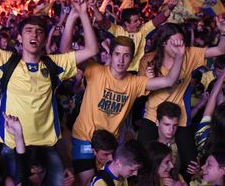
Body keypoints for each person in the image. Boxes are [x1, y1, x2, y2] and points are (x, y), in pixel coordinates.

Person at [0, 0, 98, 184]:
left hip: (47, 147)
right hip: (11, 146)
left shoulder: (54, 65)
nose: (34, 35)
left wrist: (82, 13)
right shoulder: (7, 62)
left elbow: (91, 49)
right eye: (28, 31)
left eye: (39, 32)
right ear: (19, 37)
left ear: (44, 39)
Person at [62, 33, 184, 185]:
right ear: (110, 55)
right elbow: (66, 53)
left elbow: (169, 80)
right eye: (117, 54)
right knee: (86, 181)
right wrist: (75, 16)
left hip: (111, 144)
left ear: (132, 59)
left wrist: (179, 57)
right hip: (84, 137)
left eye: (126, 56)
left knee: (113, 182)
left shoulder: (134, 82)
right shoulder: (95, 70)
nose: (121, 60)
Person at [138, 18, 225, 178]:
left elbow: (221, 50)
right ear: (163, 43)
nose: (180, 46)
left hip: (180, 117)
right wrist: (147, 79)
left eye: (182, 42)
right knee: (141, 160)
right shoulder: (148, 59)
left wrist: (223, 32)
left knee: (191, 165)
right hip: (153, 115)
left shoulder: (189, 54)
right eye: (175, 43)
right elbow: (140, 89)